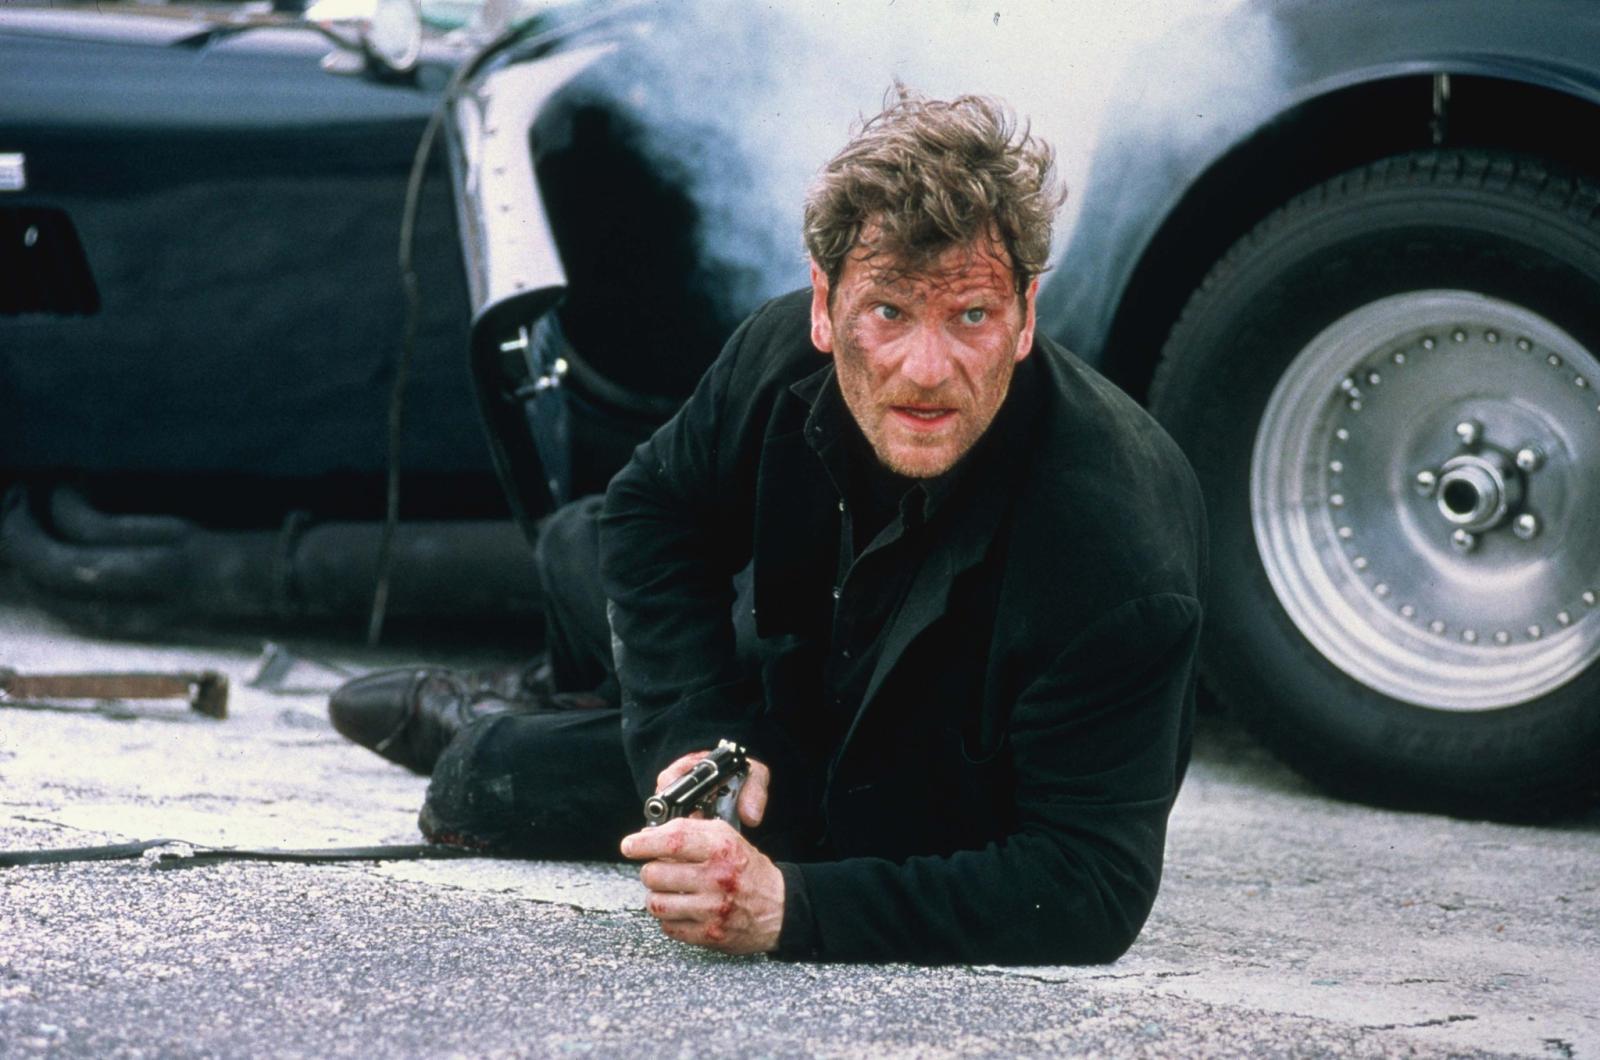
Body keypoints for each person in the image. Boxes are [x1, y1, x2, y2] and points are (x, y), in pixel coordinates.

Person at [329, 90, 1206, 965]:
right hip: (790, 685)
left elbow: (1091, 884)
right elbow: (651, 508)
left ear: (1025, 316)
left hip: (896, 806)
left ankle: (503, 711)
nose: (927, 370)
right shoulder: (778, 350)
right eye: (889, 312)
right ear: (825, 305)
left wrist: (791, 909)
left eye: (971, 315)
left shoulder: (1118, 538)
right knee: (573, 543)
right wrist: (690, 737)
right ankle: (583, 688)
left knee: (482, 778)